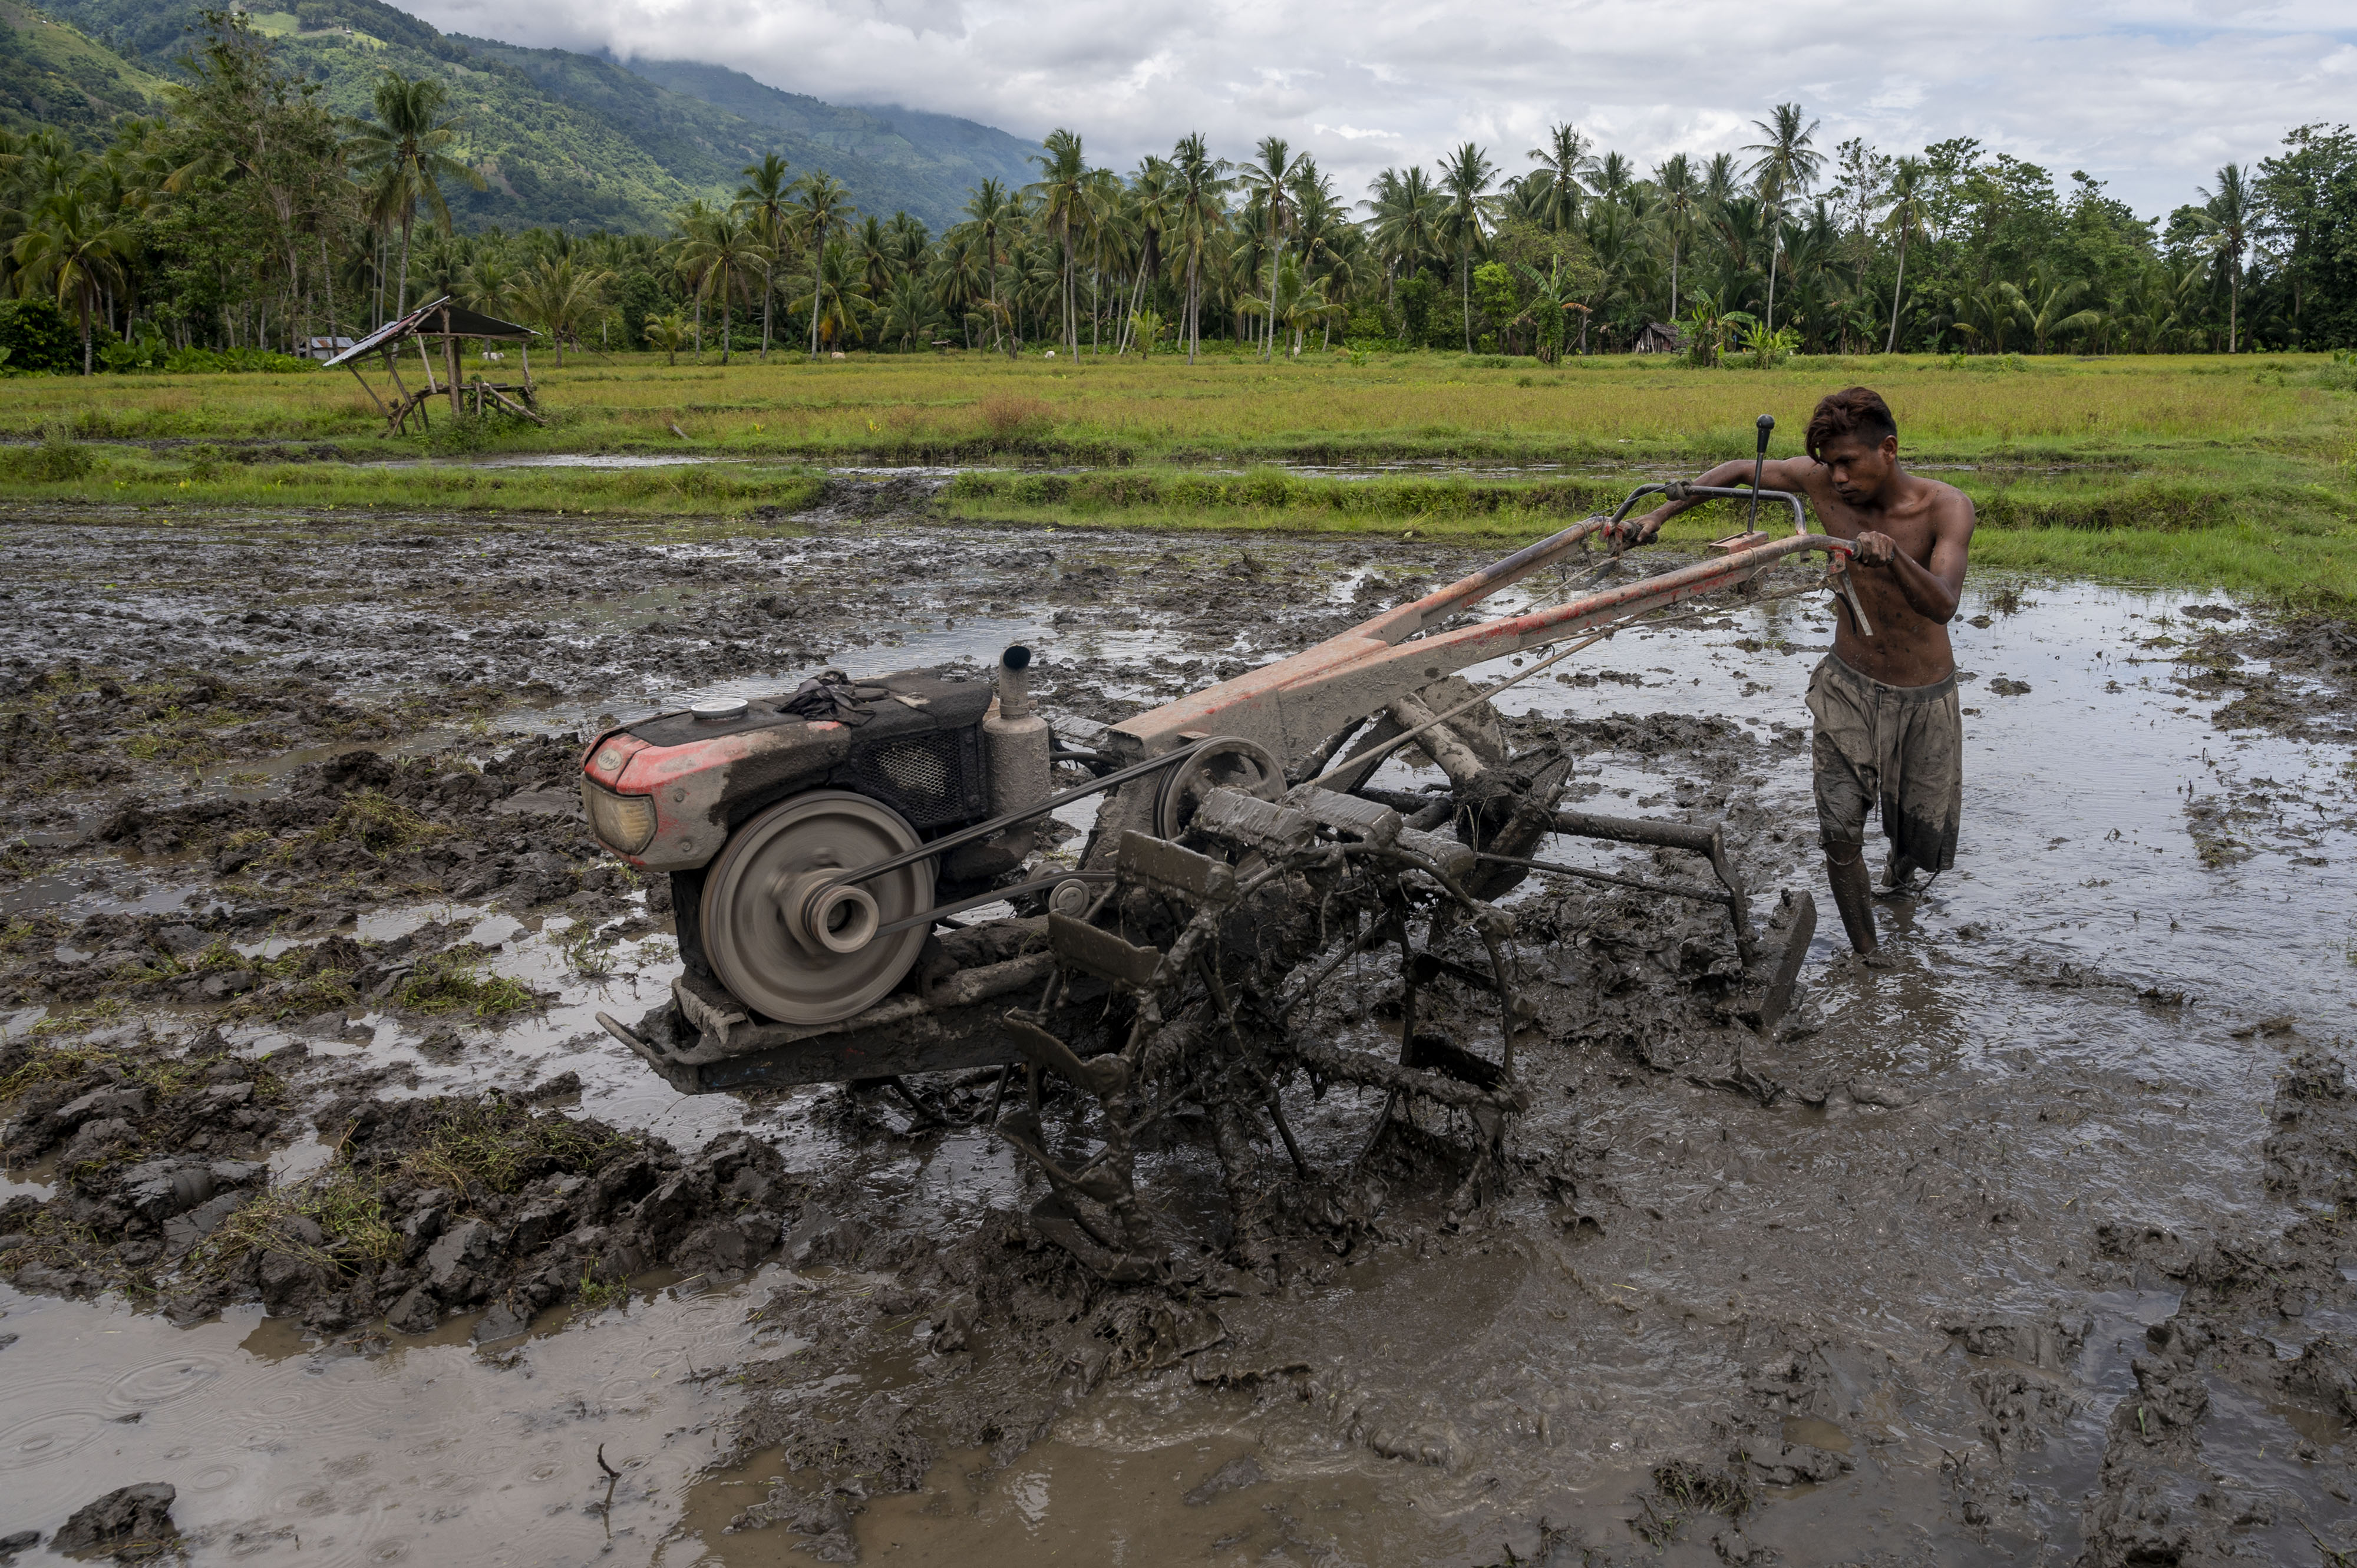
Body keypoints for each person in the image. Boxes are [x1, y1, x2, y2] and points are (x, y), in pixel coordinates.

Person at [1609, 387, 1975, 956]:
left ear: (1890, 450)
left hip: (1924, 699)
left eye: (1849, 463)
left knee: (1915, 842)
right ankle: (1869, 957)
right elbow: (1736, 470)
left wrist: (1893, 555)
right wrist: (1657, 515)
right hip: (1848, 686)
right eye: (1829, 465)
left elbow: (1944, 603)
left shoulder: (1945, 507)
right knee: (1839, 830)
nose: (1839, 478)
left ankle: (1899, 884)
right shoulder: (1821, 482)